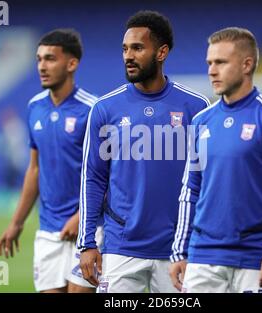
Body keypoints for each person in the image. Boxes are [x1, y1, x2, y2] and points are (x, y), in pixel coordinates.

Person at [78, 11, 209, 293]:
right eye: (125, 48)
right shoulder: (105, 109)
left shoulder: (196, 107)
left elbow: (208, 181)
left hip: (179, 251)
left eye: (138, 48)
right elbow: (93, 179)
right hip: (121, 248)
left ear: (162, 52)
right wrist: (87, 242)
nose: (128, 55)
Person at [169, 27, 262, 293]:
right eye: (209, 63)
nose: (211, 70)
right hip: (202, 258)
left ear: (246, 64)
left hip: (254, 258)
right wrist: (179, 250)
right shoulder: (201, 121)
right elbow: (190, 189)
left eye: (220, 62)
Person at [0, 29, 99, 293]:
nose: (42, 66)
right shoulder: (35, 107)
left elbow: (113, 175)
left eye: (50, 59)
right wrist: (16, 223)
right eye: (39, 59)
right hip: (48, 231)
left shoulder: (94, 110)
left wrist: (82, 217)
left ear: (72, 63)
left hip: (88, 231)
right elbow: (34, 169)